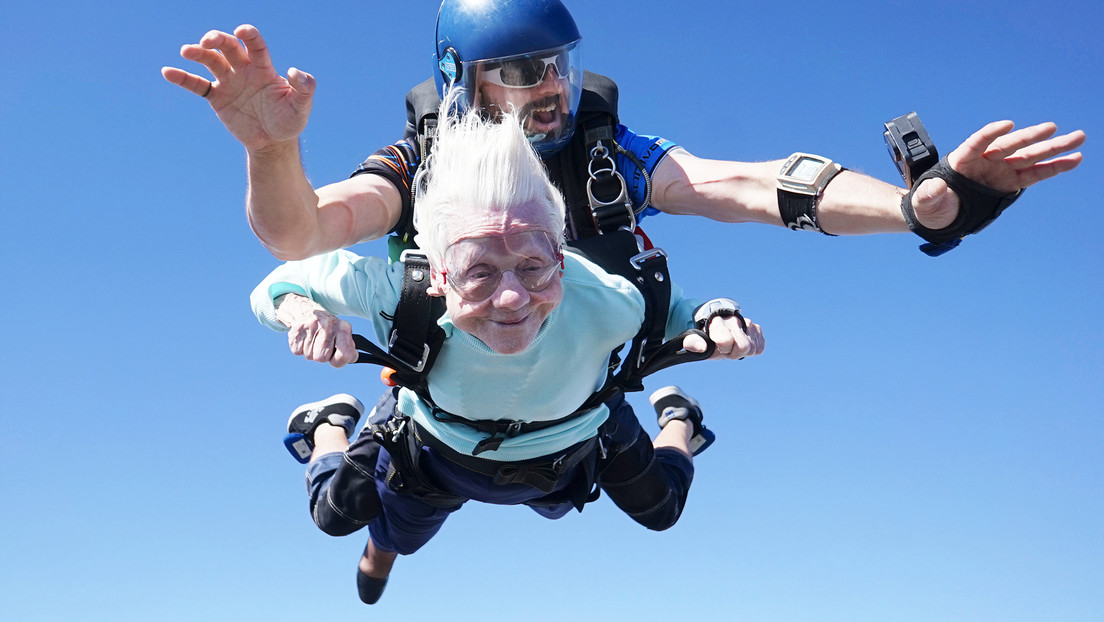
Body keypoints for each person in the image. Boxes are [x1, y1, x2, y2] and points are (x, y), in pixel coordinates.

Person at [249, 100, 765, 603]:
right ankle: (329, 427)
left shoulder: (607, 297)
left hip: (572, 445)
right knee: (341, 518)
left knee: (662, 509)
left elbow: (674, 306)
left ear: (561, 260)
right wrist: (304, 313)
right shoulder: (399, 292)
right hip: (436, 449)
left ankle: (680, 421)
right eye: (480, 273)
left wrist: (718, 316)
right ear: (438, 276)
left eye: (533, 266)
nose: (513, 298)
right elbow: (278, 284)